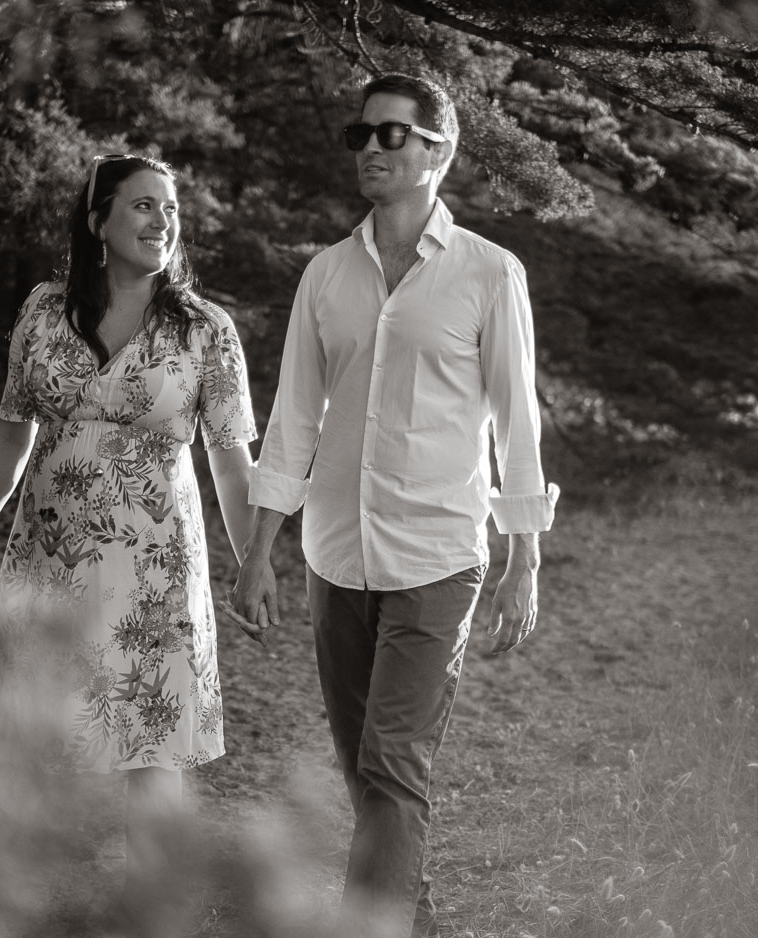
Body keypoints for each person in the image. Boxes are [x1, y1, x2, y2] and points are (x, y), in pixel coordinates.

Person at [223, 74, 559, 938]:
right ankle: (419, 923)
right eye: (362, 135)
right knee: (368, 775)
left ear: (438, 150)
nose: (371, 148)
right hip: (336, 555)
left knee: (392, 764)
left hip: (439, 556)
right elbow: (293, 418)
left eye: (392, 135)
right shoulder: (327, 275)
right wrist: (263, 548)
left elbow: (518, 422)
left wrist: (524, 559)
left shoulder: (490, 273)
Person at [0, 153, 260, 899]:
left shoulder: (204, 331)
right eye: (143, 206)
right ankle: (12, 898)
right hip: (46, 559)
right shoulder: (41, 311)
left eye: (170, 208)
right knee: (30, 736)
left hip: (154, 569)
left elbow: (233, 464)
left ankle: (153, 905)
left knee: (151, 745)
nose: (163, 221)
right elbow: (10, 433)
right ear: (98, 221)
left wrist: (256, 560)